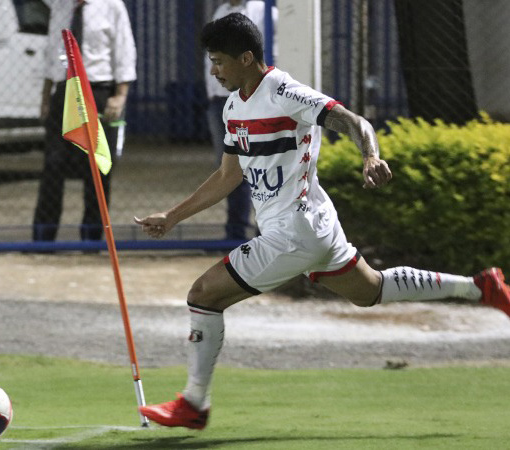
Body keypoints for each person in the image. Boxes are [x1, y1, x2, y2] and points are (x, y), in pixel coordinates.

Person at [135, 13, 510, 430]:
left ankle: (193, 403)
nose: (213, 71)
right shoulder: (232, 107)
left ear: (246, 58)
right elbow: (228, 175)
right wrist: (172, 217)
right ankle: (481, 287)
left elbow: (354, 121)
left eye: (219, 61)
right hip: (315, 226)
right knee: (371, 290)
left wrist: (370, 156)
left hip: (295, 231)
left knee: (204, 294)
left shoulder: (284, 91)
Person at [33, 0, 136, 242]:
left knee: (97, 168)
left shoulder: (112, 6)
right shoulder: (60, 5)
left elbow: (124, 49)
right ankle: (43, 237)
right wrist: (46, 96)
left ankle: (91, 236)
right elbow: (51, 52)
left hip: (97, 90)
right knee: (53, 164)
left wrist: (120, 95)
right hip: (64, 91)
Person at [204, 1, 278, 240]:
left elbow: (270, 57)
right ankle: (235, 232)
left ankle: (265, 233)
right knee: (230, 169)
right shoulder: (222, 11)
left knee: (260, 168)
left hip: (254, 100)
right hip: (221, 101)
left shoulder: (264, 12)